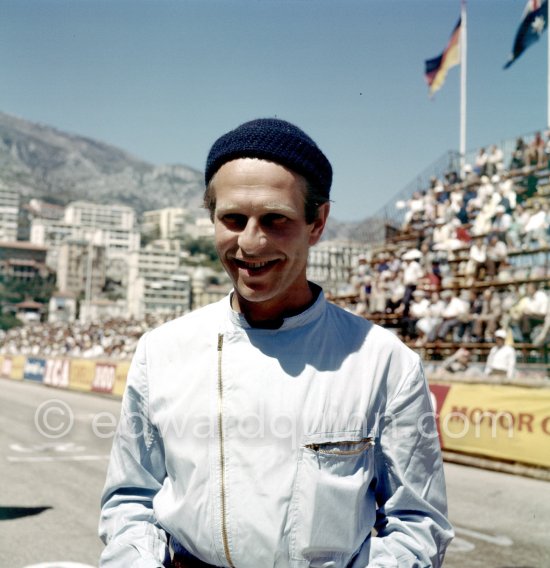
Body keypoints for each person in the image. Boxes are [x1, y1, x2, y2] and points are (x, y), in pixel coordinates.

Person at [98, 118, 453, 567]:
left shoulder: (385, 362)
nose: (250, 242)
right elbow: (130, 500)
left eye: (275, 219)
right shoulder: (161, 351)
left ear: (317, 222)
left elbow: (418, 524)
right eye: (233, 219)